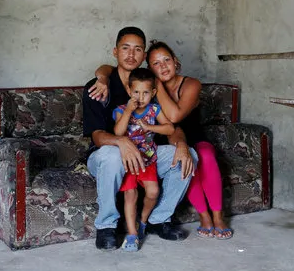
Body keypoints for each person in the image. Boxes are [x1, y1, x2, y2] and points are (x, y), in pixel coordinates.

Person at [94, 41, 233, 240]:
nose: (163, 66)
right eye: (156, 64)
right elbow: (111, 68)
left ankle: (208, 217)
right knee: (177, 162)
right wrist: (102, 75)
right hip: (153, 144)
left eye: (166, 60)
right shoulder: (144, 92)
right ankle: (203, 217)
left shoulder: (180, 86)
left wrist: (156, 85)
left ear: (175, 61)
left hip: (182, 137)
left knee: (197, 156)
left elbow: (174, 120)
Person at [83, 27, 197, 250]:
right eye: (125, 48)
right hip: (107, 159)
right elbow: (97, 137)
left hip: (146, 154)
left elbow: (172, 125)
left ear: (144, 56)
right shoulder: (98, 87)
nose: (131, 54)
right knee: (111, 154)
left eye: (137, 49)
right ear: (115, 51)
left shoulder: (150, 85)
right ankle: (106, 226)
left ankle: (158, 220)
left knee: (188, 155)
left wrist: (181, 144)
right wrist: (122, 142)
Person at [114, 68, 175, 251]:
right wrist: (128, 112)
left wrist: (150, 127)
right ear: (129, 91)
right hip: (130, 162)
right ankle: (132, 234)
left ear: (153, 93)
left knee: (153, 192)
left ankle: (142, 221)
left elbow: (170, 129)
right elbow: (118, 132)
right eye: (136, 92)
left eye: (146, 92)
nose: (140, 97)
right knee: (130, 194)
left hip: (148, 160)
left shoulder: (154, 109)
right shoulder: (121, 110)